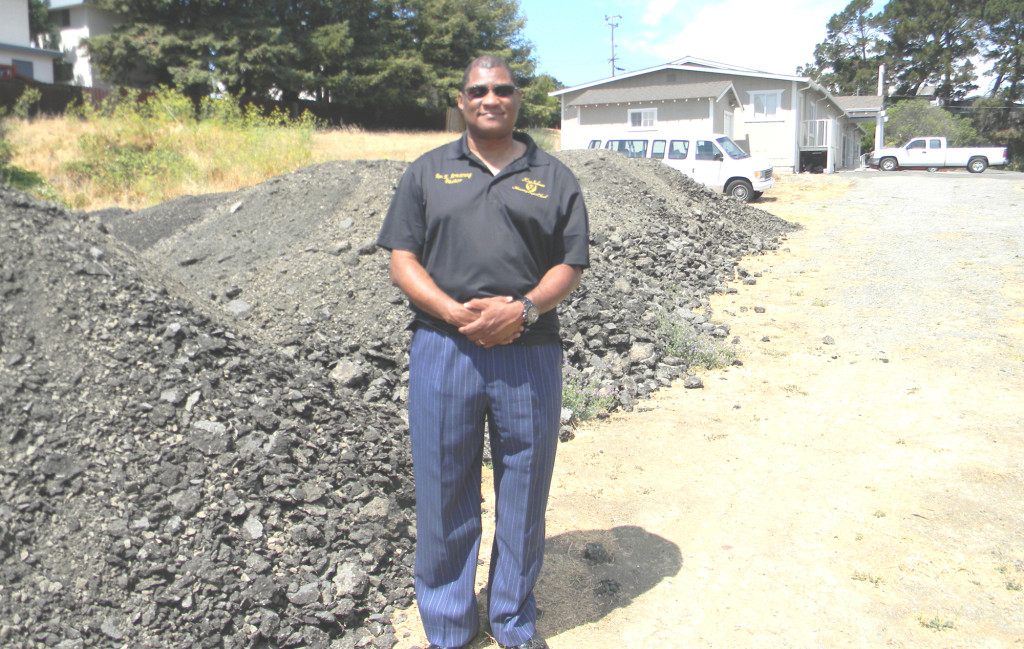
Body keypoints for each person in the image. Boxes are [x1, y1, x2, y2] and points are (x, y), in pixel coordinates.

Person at [377, 55, 590, 649]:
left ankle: (512, 620)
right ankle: (448, 627)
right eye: (478, 90)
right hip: (444, 349)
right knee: (444, 489)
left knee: (524, 487)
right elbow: (402, 258)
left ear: (518, 98)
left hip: (530, 352)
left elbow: (569, 264)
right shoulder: (426, 172)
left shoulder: (555, 177)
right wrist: (452, 312)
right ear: (463, 99)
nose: (490, 98)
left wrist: (522, 309)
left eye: (502, 89)